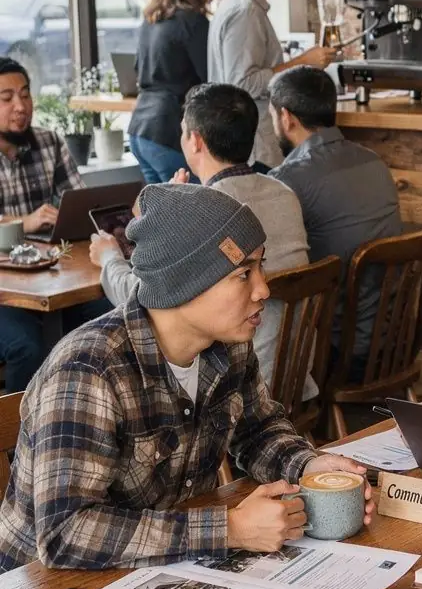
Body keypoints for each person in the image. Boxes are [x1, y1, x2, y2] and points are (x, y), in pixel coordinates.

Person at [0, 182, 371, 589]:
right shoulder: (87, 369)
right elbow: (65, 534)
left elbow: (259, 429)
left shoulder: (225, 346)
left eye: (260, 267)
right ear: (183, 283)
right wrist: (227, 528)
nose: (264, 289)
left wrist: (308, 464)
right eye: (243, 272)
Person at [91, 83, 310, 389]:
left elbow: (144, 301)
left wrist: (109, 258)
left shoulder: (210, 218)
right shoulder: (284, 193)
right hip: (298, 372)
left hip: (236, 381)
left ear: (194, 140)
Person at [268, 67, 401, 379]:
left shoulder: (288, 181)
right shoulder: (373, 161)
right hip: (393, 340)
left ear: (286, 117)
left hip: (338, 350)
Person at [0, 56, 108, 392]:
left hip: (51, 280)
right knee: (26, 346)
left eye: (25, 94)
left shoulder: (49, 142)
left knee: (112, 316)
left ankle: (88, 411)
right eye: (6, 98)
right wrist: (26, 221)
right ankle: (23, 427)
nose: (21, 106)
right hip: (4, 296)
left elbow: (82, 205)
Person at [208, 0, 335, 171]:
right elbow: (243, 84)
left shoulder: (239, 6)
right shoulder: (245, 12)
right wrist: (304, 62)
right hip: (254, 151)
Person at [128, 0, 216, 183]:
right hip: (170, 131)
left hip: (140, 130)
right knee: (195, 203)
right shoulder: (194, 22)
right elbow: (209, 81)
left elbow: (137, 69)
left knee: (161, 205)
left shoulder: (152, 18)